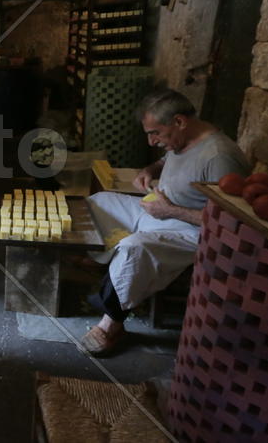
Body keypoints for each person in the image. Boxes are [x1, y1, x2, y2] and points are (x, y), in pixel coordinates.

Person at [80, 89, 250, 356]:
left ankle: (111, 322)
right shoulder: (183, 139)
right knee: (99, 201)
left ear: (179, 121)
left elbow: (230, 219)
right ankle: (108, 265)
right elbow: (166, 159)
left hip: (191, 229)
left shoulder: (219, 157)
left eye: (155, 133)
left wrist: (172, 211)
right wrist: (149, 170)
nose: (151, 141)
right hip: (160, 211)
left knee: (135, 249)